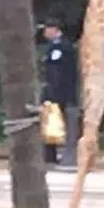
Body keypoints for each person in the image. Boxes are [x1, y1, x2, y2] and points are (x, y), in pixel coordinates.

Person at [39, 19, 77, 167]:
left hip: (57, 92)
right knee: (50, 123)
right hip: (53, 91)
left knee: (52, 122)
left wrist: (52, 92)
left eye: (47, 29)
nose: (44, 33)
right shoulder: (53, 46)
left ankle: (52, 155)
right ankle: (50, 155)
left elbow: (58, 72)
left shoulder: (61, 47)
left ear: (54, 30)